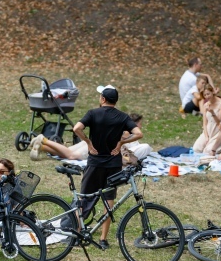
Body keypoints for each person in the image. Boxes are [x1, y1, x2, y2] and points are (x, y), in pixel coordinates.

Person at [73, 85, 143, 250]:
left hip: (95, 163)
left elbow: (77, 128)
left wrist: (88, 143)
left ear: (102, 99)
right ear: (115, 101)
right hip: (113, 164)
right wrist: (121, 142)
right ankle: (103, 239)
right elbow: (139, 134)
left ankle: (77, 234)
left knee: (84, 198)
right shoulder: (122, 116)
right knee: (108, 202)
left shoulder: (92, 113)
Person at [29, 113, 151, 161]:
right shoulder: (127, 133)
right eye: (139, 124)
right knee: (72, 155)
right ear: (134, 124)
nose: (141, 126)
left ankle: (43, 147)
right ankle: (43, 139)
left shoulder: (124, 130)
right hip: (98, 147)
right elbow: (127, 155)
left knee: (67, 152)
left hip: (94, 141)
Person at [192, 85, 221, 155]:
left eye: (208, 94)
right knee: (196, 149)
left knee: (208, 152)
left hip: (218, 132)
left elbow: (219, 122)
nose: (207, 96)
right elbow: (204, 123)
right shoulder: (206, 105)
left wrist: (212, 112)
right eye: (205, 95)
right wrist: (206, 136)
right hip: (208, 131)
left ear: (213, 92)